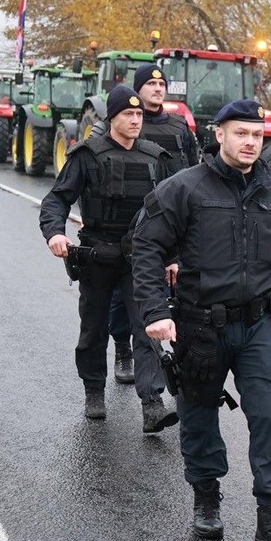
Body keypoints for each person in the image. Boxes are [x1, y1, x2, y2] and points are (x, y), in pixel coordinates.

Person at [132, 98, 271, 541]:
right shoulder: (185, 188)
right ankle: (206, 501)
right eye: (242, 134)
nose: (250, 143)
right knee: (198, 414)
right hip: (198, 324)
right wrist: (156, 312)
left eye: (257, 136)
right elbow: (147, 245)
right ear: (220, 135)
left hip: (258, 326)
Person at [39, 85, 181, 431]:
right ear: (111, 118)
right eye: (127, 114)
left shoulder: (156, 159)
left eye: (138, 115)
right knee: (93, 329)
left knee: (148, 328)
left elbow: (173, 214)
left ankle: (152, 404)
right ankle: (94, 391)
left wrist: (174, 257)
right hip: (97, 256)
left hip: (142, 259)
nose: (135, 120)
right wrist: (55, 233)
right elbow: (56, 200)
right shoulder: (87, 155)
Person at [103, 64, 203, 382]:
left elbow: (194, 165)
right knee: (126, 293)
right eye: (150, 83)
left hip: (176, 218)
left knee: (182, 288)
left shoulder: (178, 126)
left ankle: (179, 353)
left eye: (162, 83)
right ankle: (123, 347)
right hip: (133, 222)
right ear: (137, 89)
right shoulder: (126, 124)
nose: (158, 88)